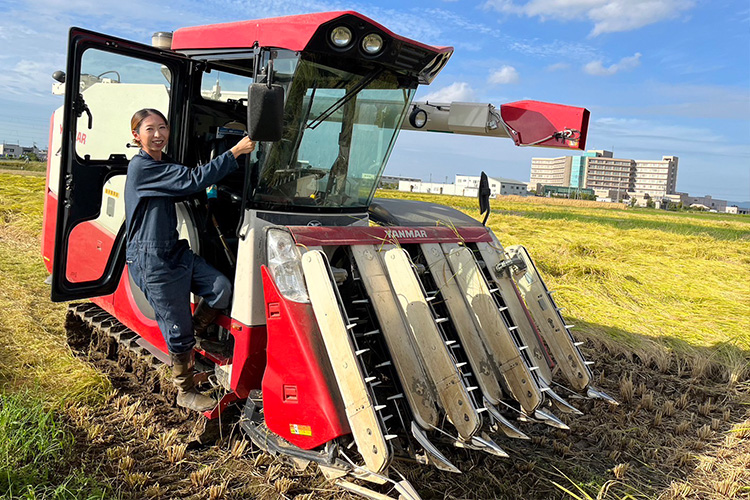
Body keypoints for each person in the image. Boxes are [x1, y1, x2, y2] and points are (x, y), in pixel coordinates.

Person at [125, 108, 255, 412]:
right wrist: (235, 152)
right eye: (149, 129)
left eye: (162, 128)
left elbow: (188, 181)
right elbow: (192, 179)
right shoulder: (142, 167)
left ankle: (193, 334)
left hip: (174, 249)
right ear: (136, 135)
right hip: (152, 257)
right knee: (176, 329)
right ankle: (184, 388)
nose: (157, 135)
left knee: (221, 287)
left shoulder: (163, 164)